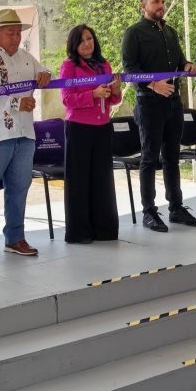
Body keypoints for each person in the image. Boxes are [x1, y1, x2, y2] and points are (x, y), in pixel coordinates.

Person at [0, 8, 51, 262]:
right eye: (10, 33)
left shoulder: (26, 57)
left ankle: (15, 238)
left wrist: (45, 73)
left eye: (18, 33)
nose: (15, 38)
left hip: (24, 132)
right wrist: (15, 103)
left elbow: (45, 72)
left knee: (19, 187)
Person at [121, 0, 196, 232]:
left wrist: (188, 66)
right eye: (155, 2)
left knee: (172, 157)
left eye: (162, 2)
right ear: (143, 6)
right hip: (149, 103)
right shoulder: (134, 33)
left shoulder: (170, 32)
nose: (160, 6)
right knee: (149, 158)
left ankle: (176, 207)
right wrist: (153, 84)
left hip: (173, 103)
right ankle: (149, 212)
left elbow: (179, 61)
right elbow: (130, 70)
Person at [60, 25, 122, 243]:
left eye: (90, 38)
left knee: (102, 179)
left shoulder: (104, 64)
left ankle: (104, 229)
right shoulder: (68, 66)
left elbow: (113, 99)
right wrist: (92, 94)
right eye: (82, 40)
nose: (87, 43)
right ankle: (79, 232)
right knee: (79, 181)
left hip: (103, 126)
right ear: (74, 45)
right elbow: (67, 99)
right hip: (79, 128)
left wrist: (115, 91)